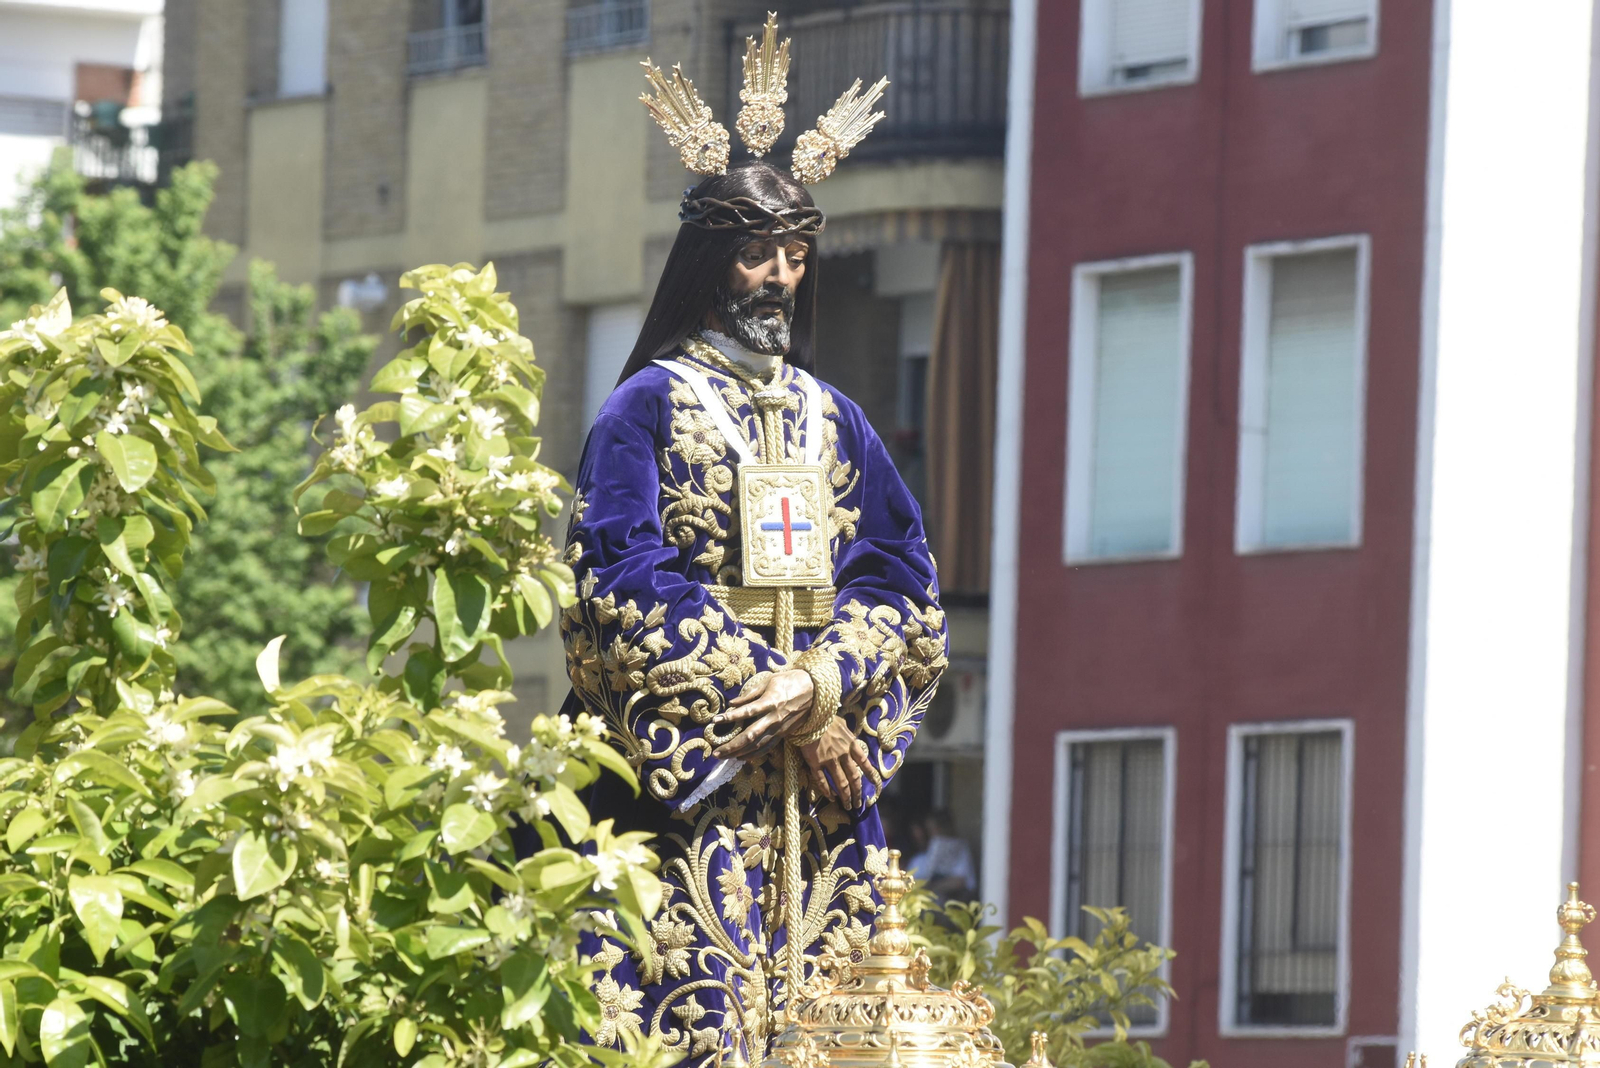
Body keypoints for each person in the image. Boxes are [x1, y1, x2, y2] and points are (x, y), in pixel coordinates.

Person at [558, 18, 947, 1066]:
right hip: (694, 786)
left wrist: (825, 686)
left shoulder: (835, 418)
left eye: (792, 255)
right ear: (710, 262)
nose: (778, 276)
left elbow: (902, 577)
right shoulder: (645, 407)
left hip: (816, 809)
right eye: (755, 254)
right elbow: (619, 579)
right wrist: (773, 699)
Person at [906, 810, 976, 901]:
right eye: (929, 830)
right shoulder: (918, 860)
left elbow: (961, 882)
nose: (934, 833)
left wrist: (932, 887)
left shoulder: (961, 849)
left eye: (937, 828)